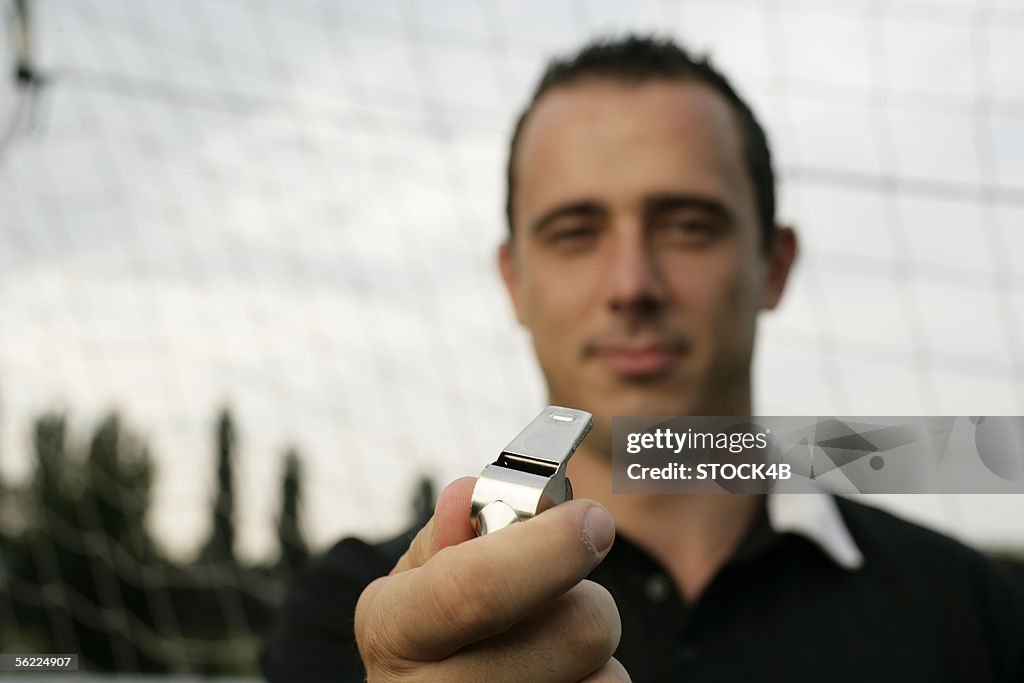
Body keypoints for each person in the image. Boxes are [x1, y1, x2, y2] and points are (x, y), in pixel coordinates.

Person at [260, 36, 1024, 682]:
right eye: (574, 232)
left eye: (689, 225)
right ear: (513, 280)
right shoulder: (360, 620)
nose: (631, 285)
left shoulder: (971, 609)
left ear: (775, 264)